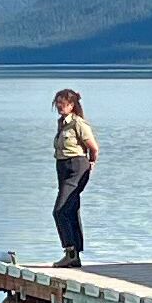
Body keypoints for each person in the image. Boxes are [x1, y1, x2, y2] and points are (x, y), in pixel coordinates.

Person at [49, 89, 100, 266]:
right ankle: (75, 255)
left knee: (60, 210)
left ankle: (70, 250)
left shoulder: (78, 124)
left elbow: (93, 148)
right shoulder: (61, 123)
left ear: (71, 105)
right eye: (57, 103)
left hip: (76, 166)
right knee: (70, 209)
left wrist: (91, 164)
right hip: (63, 167)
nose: (59, 107)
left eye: (62, 104)